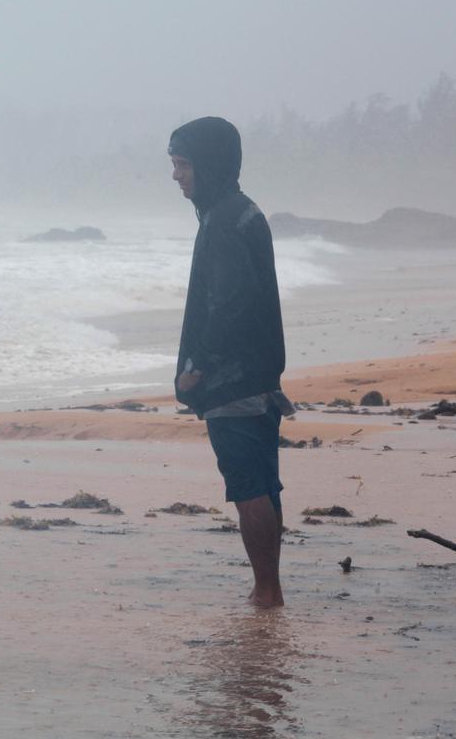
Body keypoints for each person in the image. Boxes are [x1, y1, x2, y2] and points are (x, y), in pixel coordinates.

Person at [169, 116, 292, 608]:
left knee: (248, 488)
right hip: (258, 375)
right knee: (262, 484)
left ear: (209, 165)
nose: (176, 175)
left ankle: (267, 591)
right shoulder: (242, 211)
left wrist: (196, 368)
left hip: (234, 381)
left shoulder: (222, 222)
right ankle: (269, 587)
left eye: (182, 165)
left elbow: (229, 304)